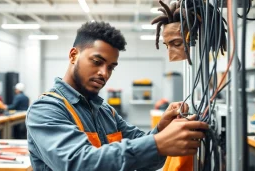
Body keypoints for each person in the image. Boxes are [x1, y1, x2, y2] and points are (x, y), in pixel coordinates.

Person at [26, 21, 208, 171]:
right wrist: (158, 143)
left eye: (111, 67)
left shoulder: (106, 112)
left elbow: (148, 159)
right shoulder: (46, 110)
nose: (104, 73)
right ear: (73, 55)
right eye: (97, 62)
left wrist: (161, 129)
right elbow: (78, 164)